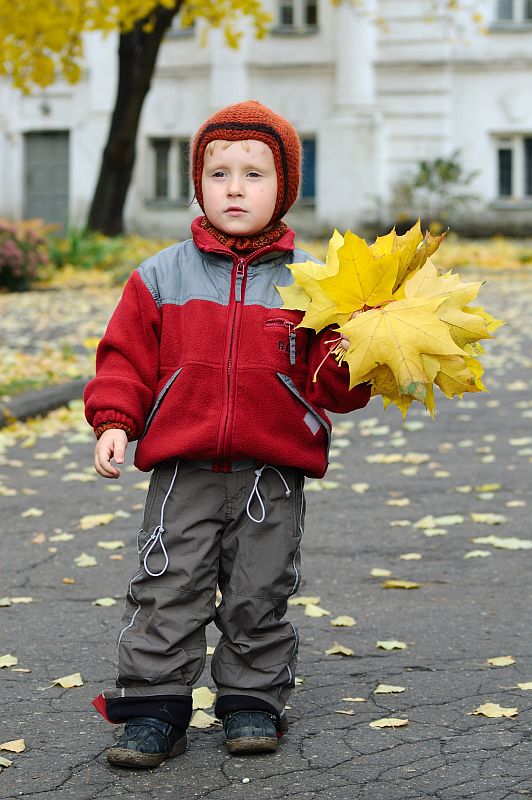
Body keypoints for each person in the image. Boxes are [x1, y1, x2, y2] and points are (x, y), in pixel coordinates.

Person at [84, 100, 371, 769]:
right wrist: (114, 421)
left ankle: (251, 701)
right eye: (219, 173)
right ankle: (154, 709)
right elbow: (124, 358)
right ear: (198, 184)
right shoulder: (161, 275)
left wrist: (358, 345)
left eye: (254, 173)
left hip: (273, 469)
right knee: (167, 584)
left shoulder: (315, 283)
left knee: (259, 589)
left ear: (286, 188)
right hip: (183, 470)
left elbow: (339, 387)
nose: (235, 187)